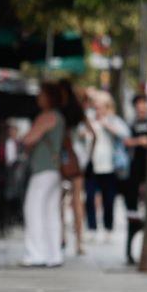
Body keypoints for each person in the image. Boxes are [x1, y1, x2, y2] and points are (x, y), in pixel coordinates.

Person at [20, 81, 66, 267]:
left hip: (42, 170)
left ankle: (35, 253)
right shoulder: (60, 117)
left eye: (41, 94)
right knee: (51, 212)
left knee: (33, 209)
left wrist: (25, 139)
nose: (38, 97)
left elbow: (29, 138)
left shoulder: (47, 116)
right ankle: (53, 254)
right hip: (55, 170)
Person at [84, 93, 129, 242]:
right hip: (91, 165)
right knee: (90, 197)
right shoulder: (89, 120)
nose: (97, 110)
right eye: (95, 107)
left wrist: (106, 125)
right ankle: (91, 228)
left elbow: (125, 134)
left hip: (109, 166)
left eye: (100, 107)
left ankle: (108, 228)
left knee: (108, 199)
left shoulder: (113, 120)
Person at [60, 79, 92, 256]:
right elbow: (93, 135)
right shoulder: (80, 113)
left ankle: (62, 236)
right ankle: (79, 242)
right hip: (78, 159)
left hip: (63, 158)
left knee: (60, 201)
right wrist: (88, 156)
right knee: (77, 201)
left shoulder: (59, 113)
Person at [123, 92, 147, 264]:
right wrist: (138, 141)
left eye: (144, 103)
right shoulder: (130, 124)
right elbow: (125, 141)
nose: (141, 107)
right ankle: (128, 251)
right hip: (134, 175)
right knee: (132, 215)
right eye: (138, 104)